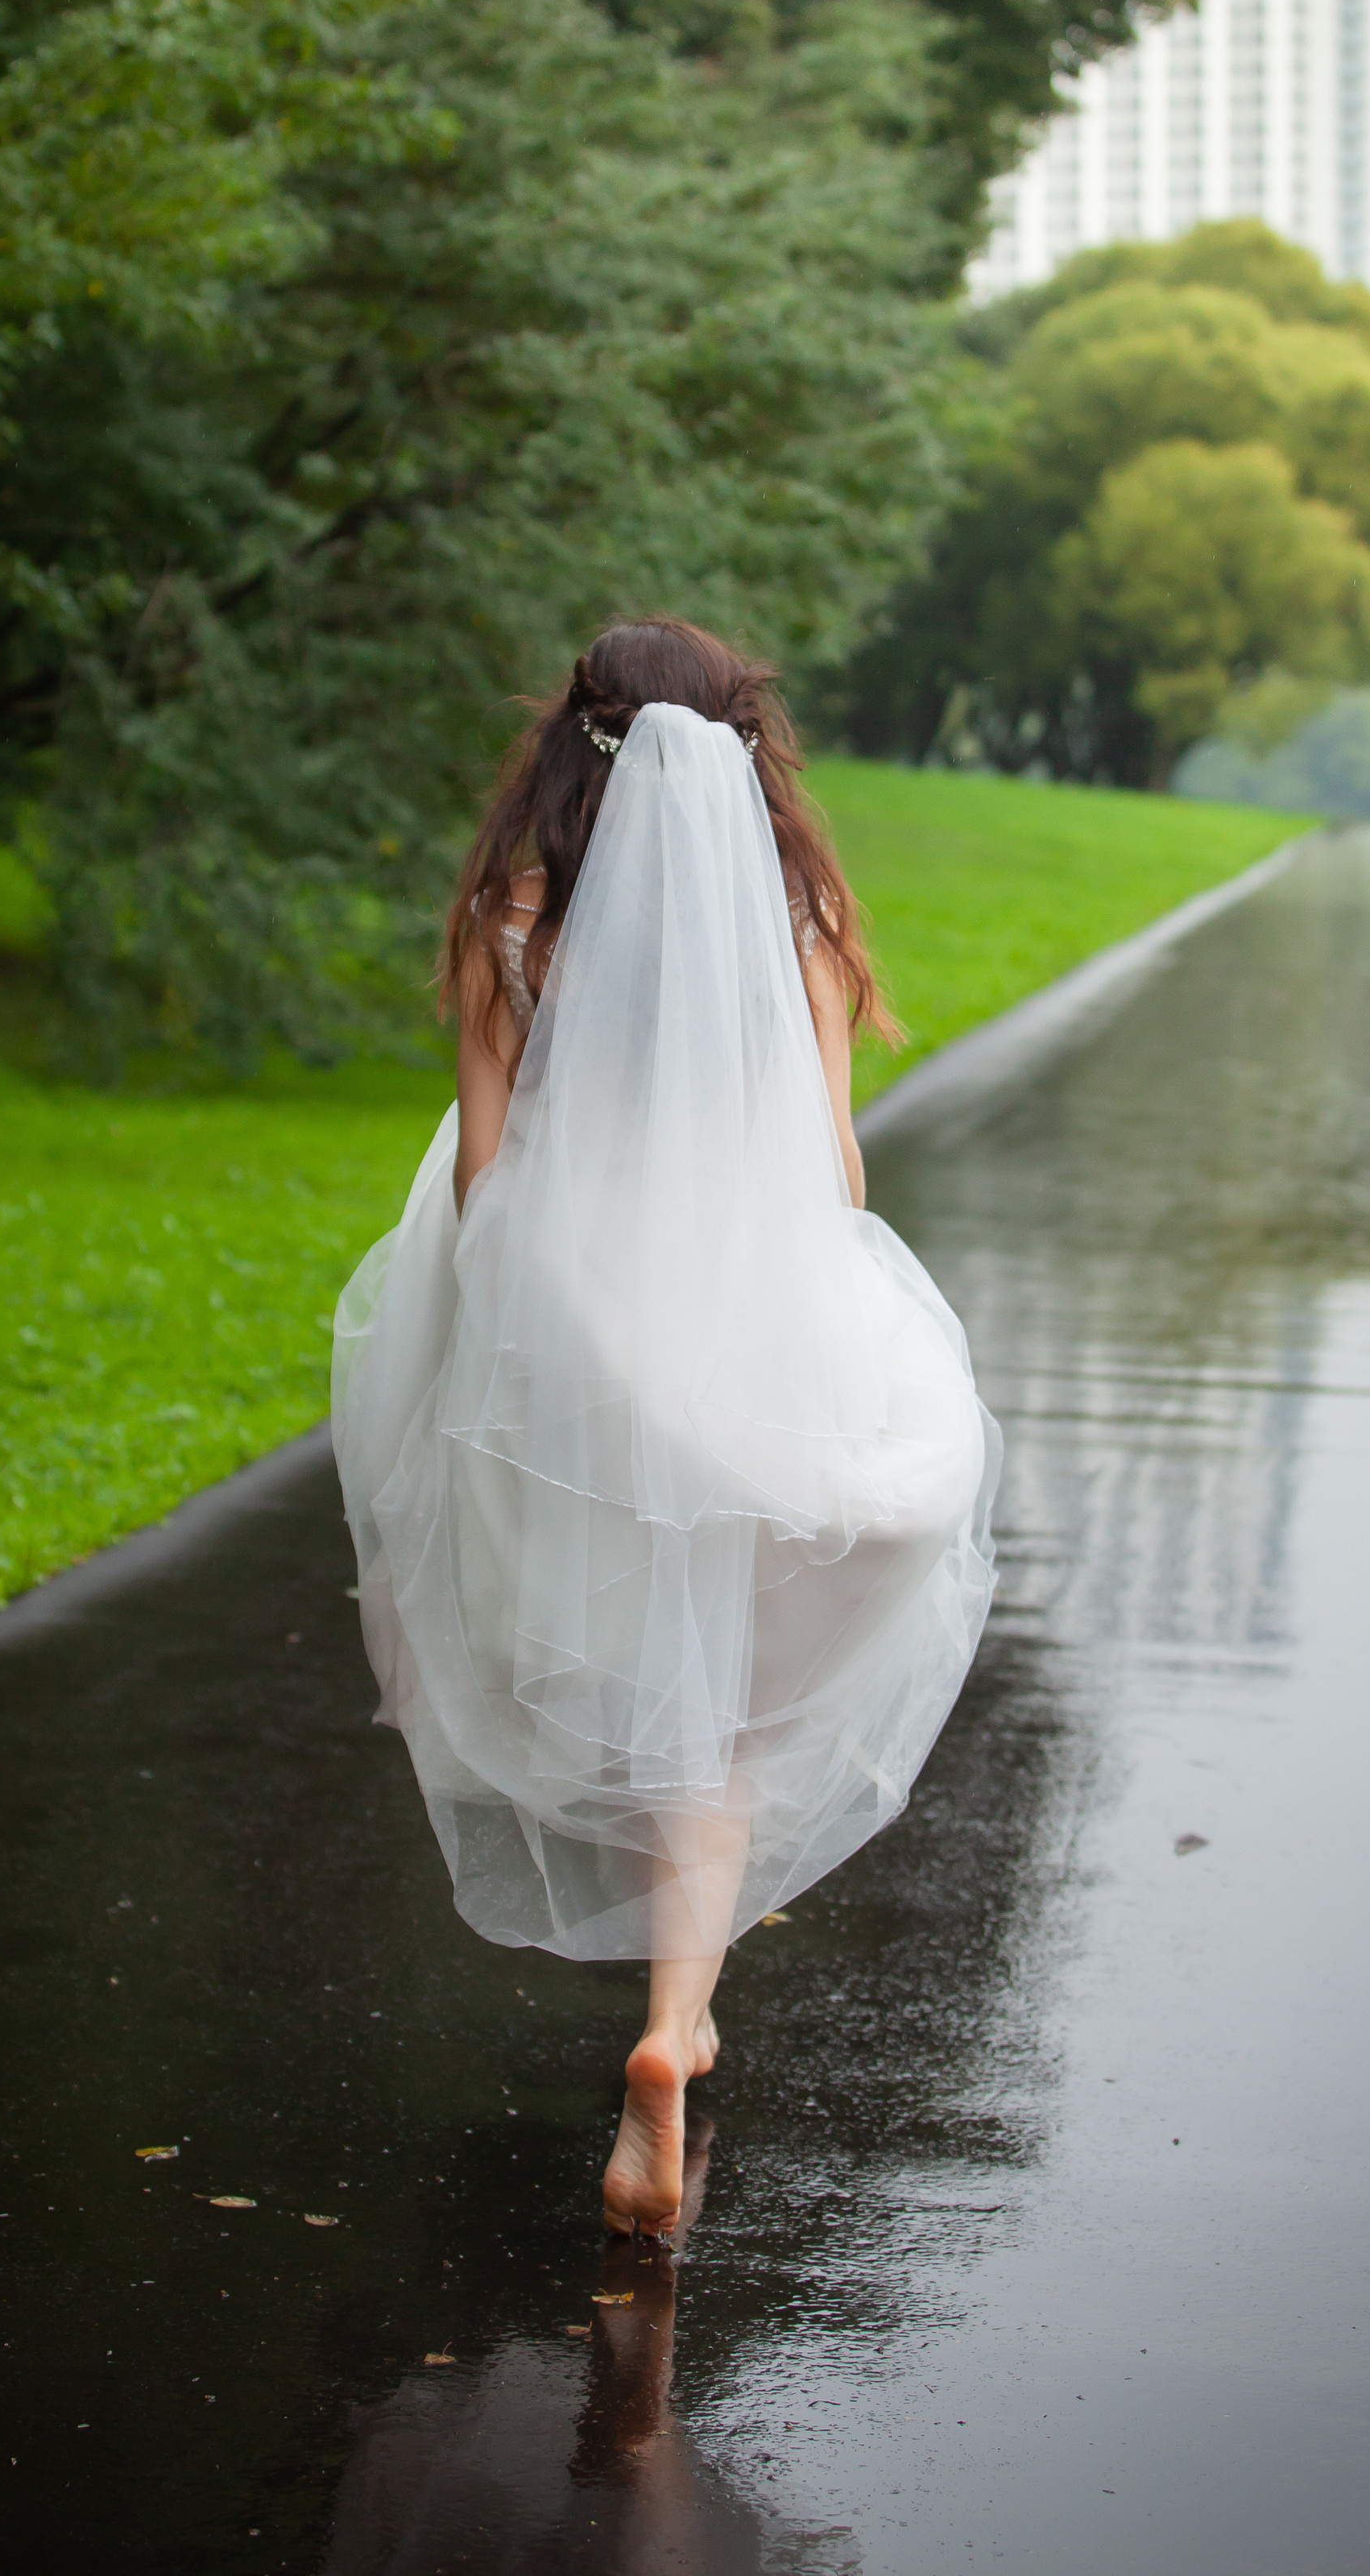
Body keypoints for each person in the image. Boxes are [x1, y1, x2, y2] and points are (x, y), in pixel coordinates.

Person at [332, 619, 1000, 2239]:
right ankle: (669, 2030)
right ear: (745, 747)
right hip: (737, 1316)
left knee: (659, 1682)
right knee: (741, 1703)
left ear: (576, 739)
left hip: (573, 1322)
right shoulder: (803, 916)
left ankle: (672, 2025)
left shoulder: (509, 913)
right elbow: (834, 1181)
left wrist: (520, 1350)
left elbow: (486, 1173)